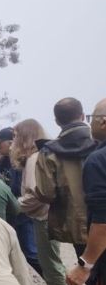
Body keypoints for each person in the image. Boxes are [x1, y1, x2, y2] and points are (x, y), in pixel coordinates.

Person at [14, 119, 89, 285]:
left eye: (15, 136)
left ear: (23, 137)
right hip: (53, 215)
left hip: (42, 217)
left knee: (50, 264)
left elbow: (36, 195)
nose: (13, 141)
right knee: (55, 261)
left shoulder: (34, 159)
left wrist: (15, 205)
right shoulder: (47, 154)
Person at [67, 98, 106, 285]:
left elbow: (103, 221)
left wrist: (85, 265)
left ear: (103, 121)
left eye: (92, 117)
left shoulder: (98, 161)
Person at [35, 98, 97, 256]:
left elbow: (46, 193)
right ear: (83, 116)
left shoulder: (48, 152)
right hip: (101, 220)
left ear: (56, 121)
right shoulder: (100, 143)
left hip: (75, 224)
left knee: (87, 272)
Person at [0, 127, 44, 278]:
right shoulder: (2, 163)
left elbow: (27, 191)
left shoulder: (21, 162)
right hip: (12, 212)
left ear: (10, 143)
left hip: (23, 213)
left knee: (31, 252)